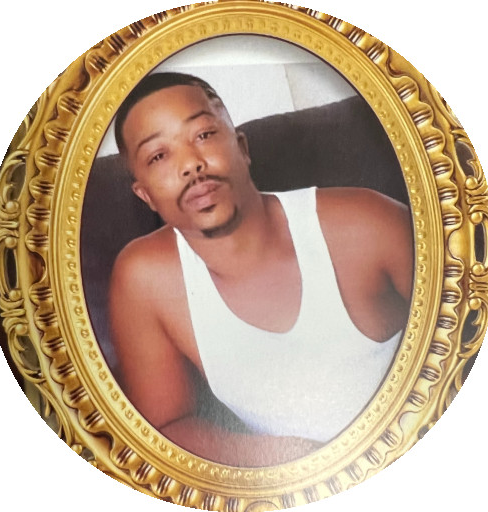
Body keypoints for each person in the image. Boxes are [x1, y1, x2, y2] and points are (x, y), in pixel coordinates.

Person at [109, 72, 413, 467]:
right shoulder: (143, 278)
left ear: (241, 147)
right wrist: (284, 459)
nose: (191, 165)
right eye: (158, 156)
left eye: (203, 135)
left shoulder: (365, 222)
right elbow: (166, 425)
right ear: (145, 194)